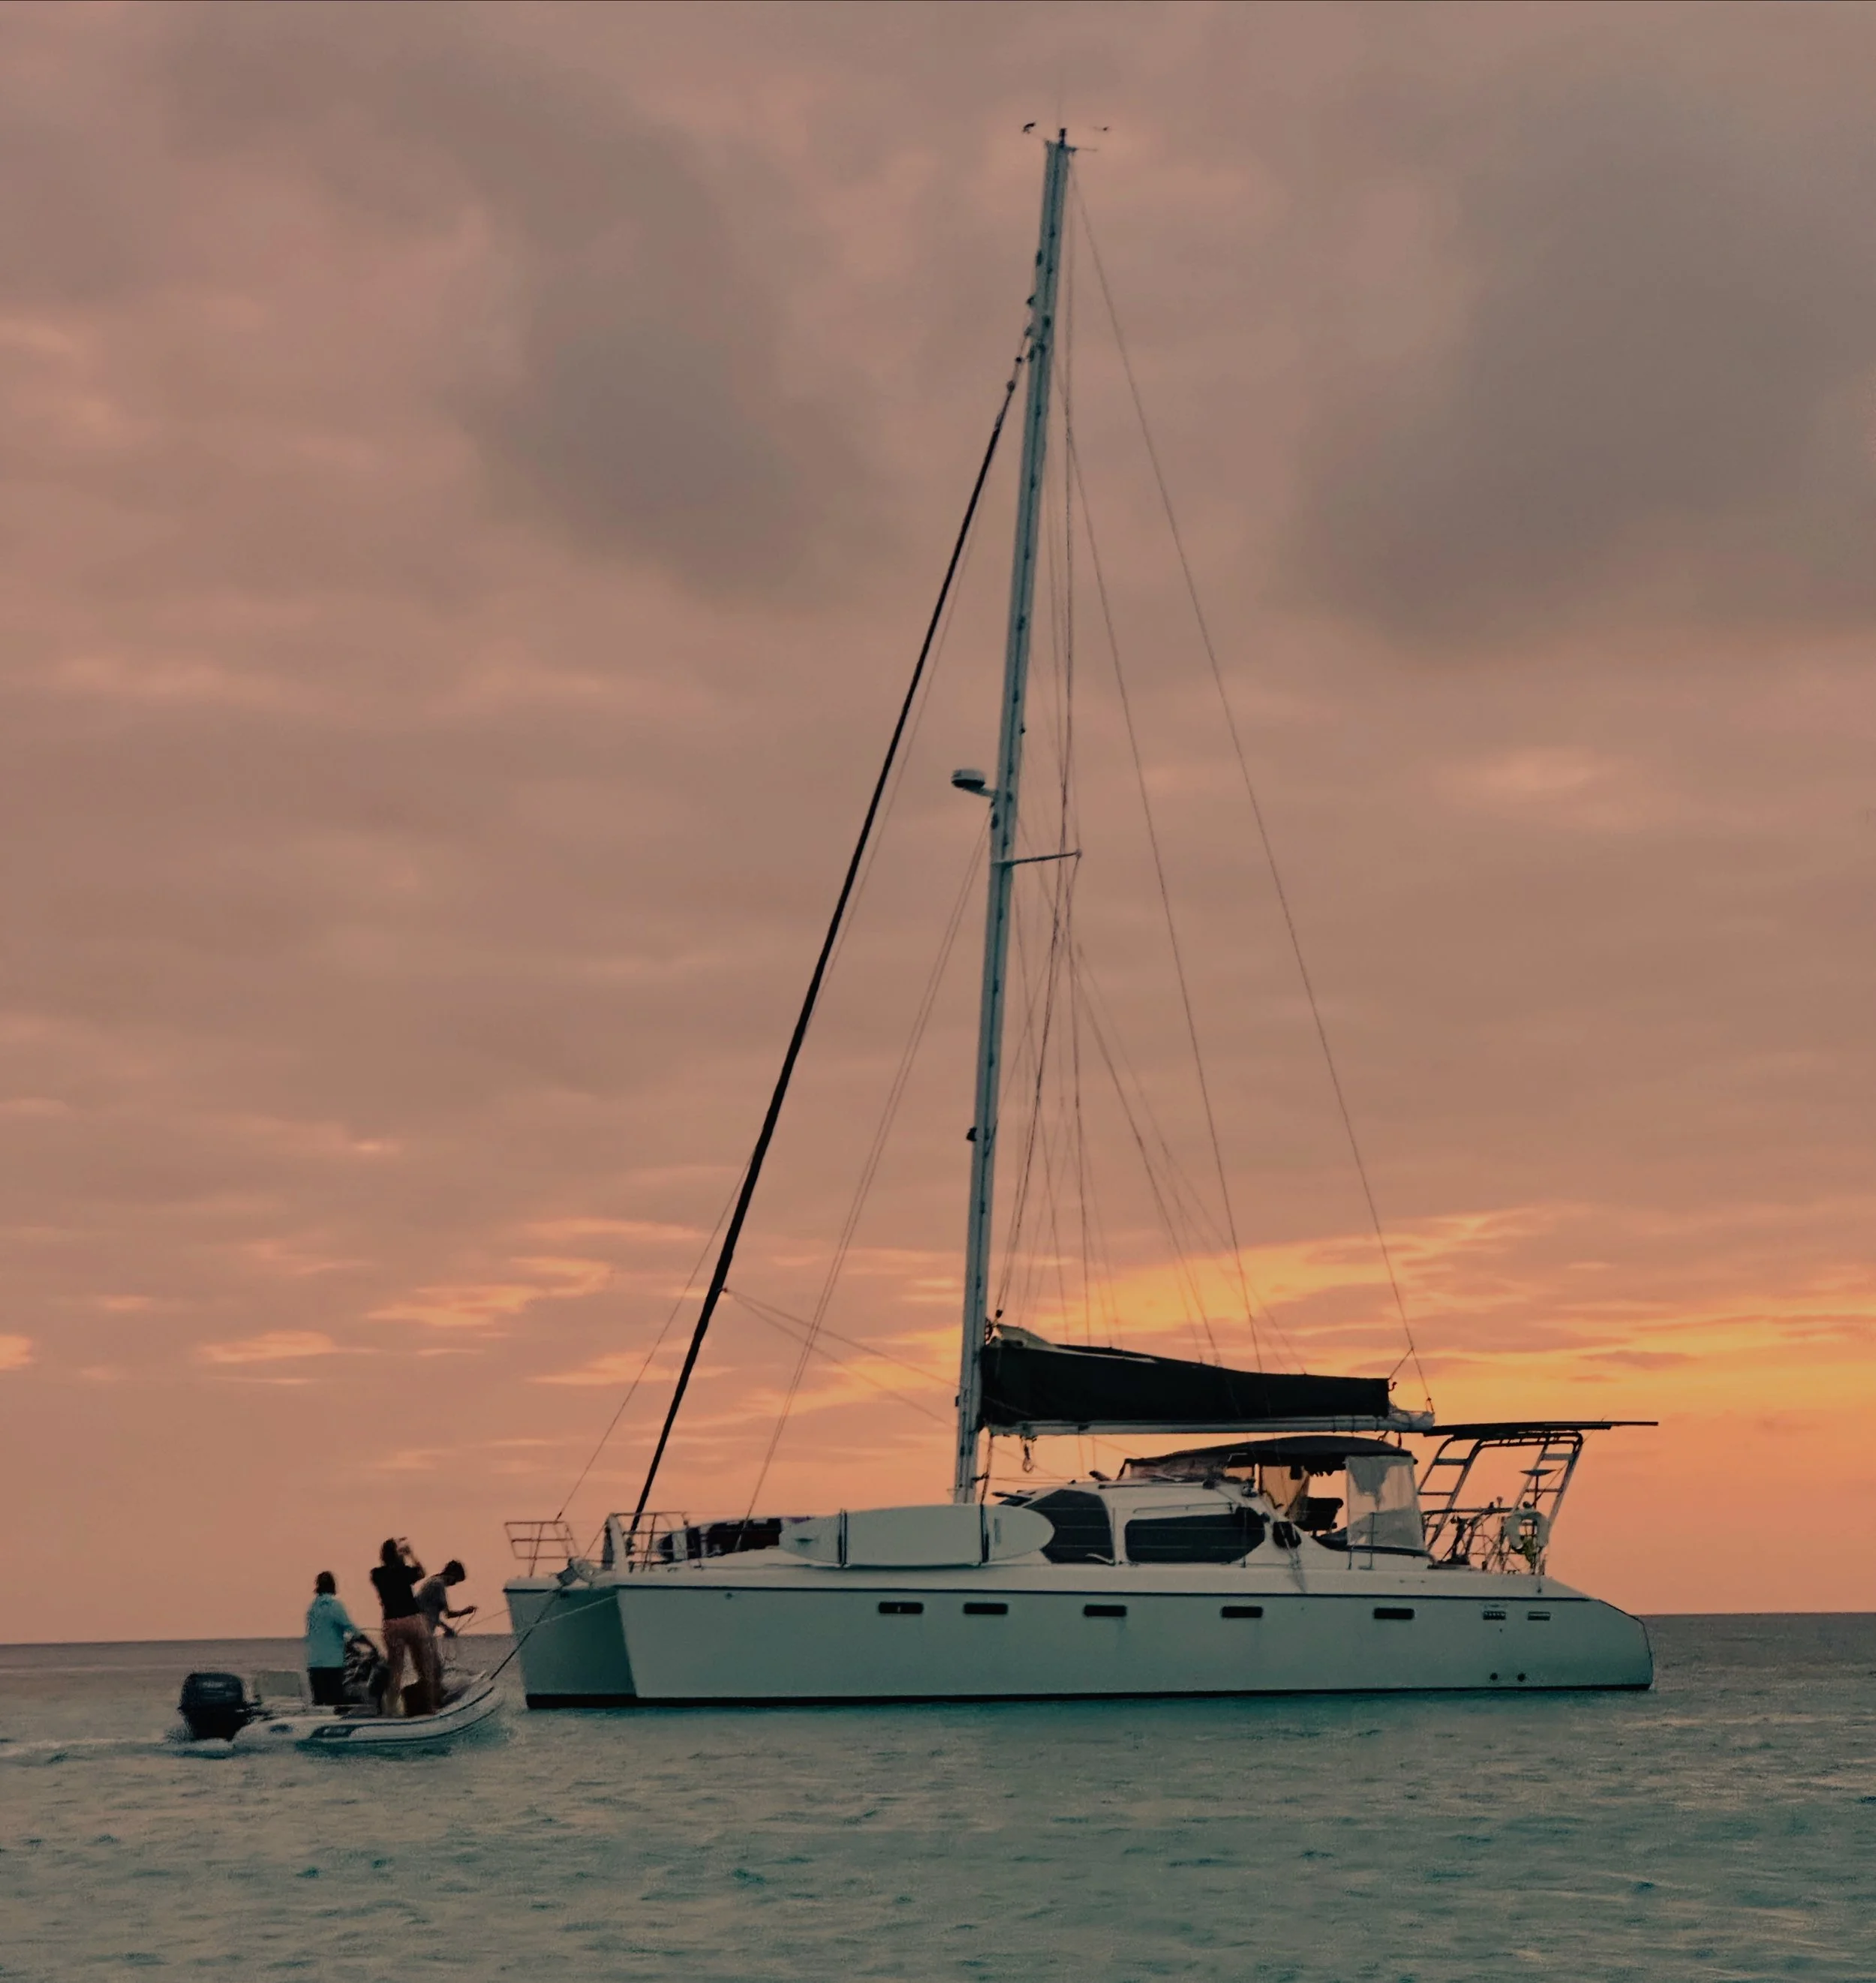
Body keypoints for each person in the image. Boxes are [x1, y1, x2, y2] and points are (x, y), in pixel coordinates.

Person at [370, 1536, 439, 1714]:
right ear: (397, 1555)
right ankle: (430, 1707)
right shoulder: (404, 1571)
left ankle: (391, 1711)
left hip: (391, 1623)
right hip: (412, 1620)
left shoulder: (376, 1574)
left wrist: (398, 1555)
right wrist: (410, 1554)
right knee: (424, 1665)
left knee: (396, 1670)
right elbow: (422, 1572)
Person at [304, 1572, 356, 1708]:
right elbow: (349, 1627)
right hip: (332, 1664)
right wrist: (365, 1640)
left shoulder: (312, 1608)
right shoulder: (334, 1606)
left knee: (319, 1705)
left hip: (314, 1663)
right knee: (336, 1703)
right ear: (333, 1585)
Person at [416, 1559, 476, 1646]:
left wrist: (446, 1628)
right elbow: (448, 1614)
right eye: (455, 1581)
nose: (454, 1584)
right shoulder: (438, 1585)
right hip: (424, 1631)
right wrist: (465, 1612)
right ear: (451, 1575)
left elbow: (429, 1613)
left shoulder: (432, 1581)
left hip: (422, 1630)